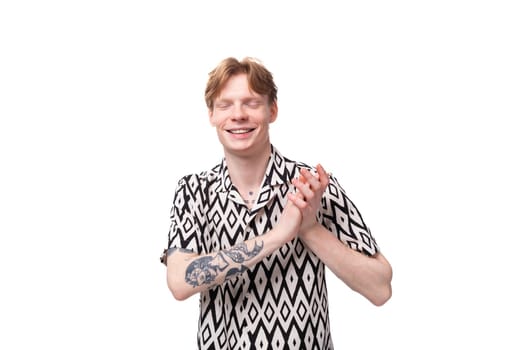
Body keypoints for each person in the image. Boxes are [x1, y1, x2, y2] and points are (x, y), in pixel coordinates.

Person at [160, 56, 393, 349]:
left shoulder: (313, 187)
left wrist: (310, 229)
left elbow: (381, 288)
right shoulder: (193, 191)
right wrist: (278, 236)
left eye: (251, 103)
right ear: (212, 116)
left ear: (272, 110)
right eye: (225, 105)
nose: (238, 114)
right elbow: (180, 281)